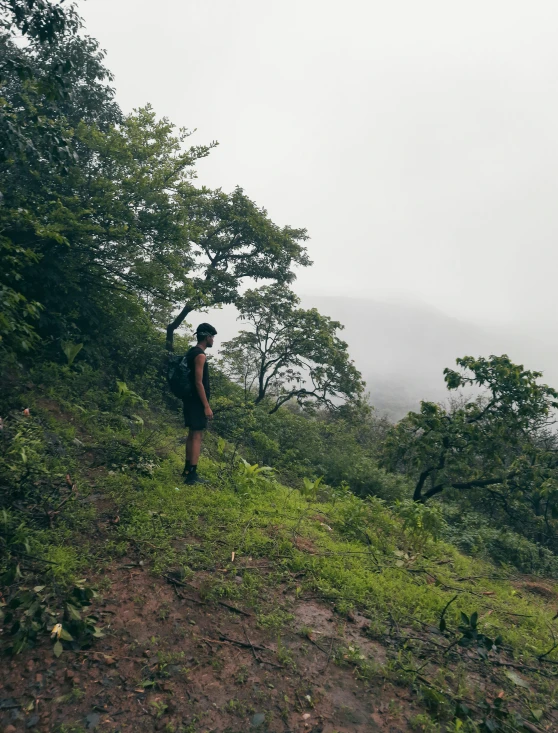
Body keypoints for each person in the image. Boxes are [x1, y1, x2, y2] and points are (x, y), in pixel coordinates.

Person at [182, 323, 217, 484]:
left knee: (191, 434)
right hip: (197, 401)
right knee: (197, 435)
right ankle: (192, 476)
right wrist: (206, 406)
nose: (213, 340)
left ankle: (187, 469)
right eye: (212, 337)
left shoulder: (192, 352)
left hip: (189, 398)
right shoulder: (200, 355)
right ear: (206, 337)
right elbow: (198, 382)